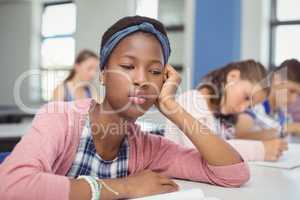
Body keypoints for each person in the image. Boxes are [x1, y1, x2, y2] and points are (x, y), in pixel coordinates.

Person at [0, 16, 249, 200]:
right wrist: (125, 186)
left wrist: (172, 107)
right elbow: (11, 186)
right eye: (128, 66)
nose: (142, 80)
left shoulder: (147, 148)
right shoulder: (59, 119)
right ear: (103, 75)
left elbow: (232, 174)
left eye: (155, 72)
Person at [164, 60, 288, 161]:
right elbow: (205, 152)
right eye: (246, 97)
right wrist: (261, 150)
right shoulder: (191, 100)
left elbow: (226, 146)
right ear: (232, 77)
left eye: (249, 106)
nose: (242, 109)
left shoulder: (222, 116)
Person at [235, 59, 300, 141]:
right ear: (277, 80)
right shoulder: (254, 105)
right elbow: (239, 137)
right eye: (291, 91)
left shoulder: (282, 113)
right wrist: (288, 128)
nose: (294, 99)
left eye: (298, 94)